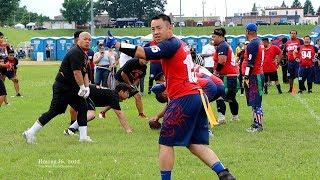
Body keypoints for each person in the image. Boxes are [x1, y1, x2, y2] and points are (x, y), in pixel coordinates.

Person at [105, 13, 235, 180]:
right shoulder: (176, 44)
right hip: (195, 95)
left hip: (184, 98)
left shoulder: (170, 43)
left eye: (159, 28)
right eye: (153, 29)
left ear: (170, 28)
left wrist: (116, 44)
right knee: (194, 144)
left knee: (165, 142)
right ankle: (224, 173)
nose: (156, 32)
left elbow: (144, 53)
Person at [22, 32, 92, 144]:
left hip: (73, 87)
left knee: (83, 107)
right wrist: (82, 87)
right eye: (85, 39)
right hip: (63, 87)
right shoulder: (75, 52)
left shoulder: (83, 53)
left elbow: (85, 73)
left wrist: (87, 87)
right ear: (78, 40)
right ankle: (30, 132)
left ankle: (83, 137)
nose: (88, 41)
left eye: (89, 39)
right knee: (55, 111)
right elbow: (77, 73)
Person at [65, 83, 133, 134]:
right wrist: (128, 129)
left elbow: (111, 105)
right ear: (121, 92)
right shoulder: (114, 97)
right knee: (91, 114)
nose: (128, 96)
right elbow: (119, 114)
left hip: (78, 89)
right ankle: (71, 129)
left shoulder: (112, 94)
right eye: (127, 93)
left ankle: (73, 126)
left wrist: (104, 111)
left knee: (75, 108)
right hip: (86, 93)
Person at [212, 27, 239, 124]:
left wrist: (216, 72)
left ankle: (221, 118)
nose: (212, 39)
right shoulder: (224, 45)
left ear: (220, 37)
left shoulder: (222, 45)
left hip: (226, 75)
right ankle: (235, 117)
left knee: (220, 96)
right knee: (231, 98)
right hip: (231, 75)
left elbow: (222, 61)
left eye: (214, 37)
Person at [242, 23, 265, 133]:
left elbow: (250, 63)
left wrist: (246, 76)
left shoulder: (252, 44)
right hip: (259, 74)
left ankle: (258, 125)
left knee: (256, 102)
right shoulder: (259, 42)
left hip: (255, 75)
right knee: (255, 101)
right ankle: (256, 122)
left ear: (248, 31)